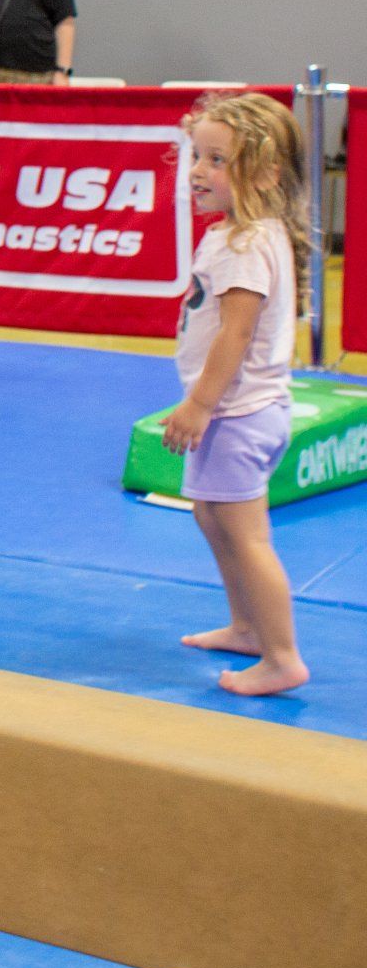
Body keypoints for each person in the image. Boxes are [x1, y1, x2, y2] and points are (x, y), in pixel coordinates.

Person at [161, 93, 310, 697]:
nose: (198, 171)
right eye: (197, 155)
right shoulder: (248, 232)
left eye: (217, 160)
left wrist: (199, 404)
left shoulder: (243, 245)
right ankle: (248, 627)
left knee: (245, 536)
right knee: (212, 516)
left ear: (265, 173)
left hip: (237, 414)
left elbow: (237, 333)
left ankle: (281, 656)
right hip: (246, 411)